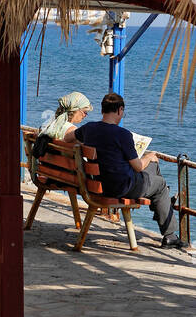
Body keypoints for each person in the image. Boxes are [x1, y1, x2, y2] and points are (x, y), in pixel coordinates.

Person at [75, 91, 183, 248]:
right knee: (159, 183)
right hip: (121, 187)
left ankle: (161, 205)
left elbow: (67, 138)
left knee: (153, 168)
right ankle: (169, 233)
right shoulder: (123, 134)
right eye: (122, 112)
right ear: (120, 110)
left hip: (96, 184)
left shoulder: (89, 128)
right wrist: (149, 156)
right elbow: (138, 166)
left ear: (102, 110)